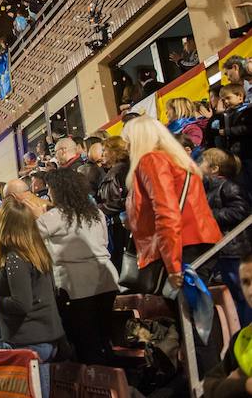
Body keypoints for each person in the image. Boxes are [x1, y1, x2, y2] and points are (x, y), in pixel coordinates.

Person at [122, 116, 222, 290]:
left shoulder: (151, 160)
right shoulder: (177, 160)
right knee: (201, 311)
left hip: (180, 248)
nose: (126, 147)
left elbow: (167, 212)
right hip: (198, 241)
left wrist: (173, 265)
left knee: (185, 313)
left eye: (129, 141)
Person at [30, 169, 118, 364]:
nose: (48, 193)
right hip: (106, 281)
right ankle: (118, 381)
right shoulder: (95, 212)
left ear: (58, 190)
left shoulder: (54, 216)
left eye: (50, 189)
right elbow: (104, 242)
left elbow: (28, 240)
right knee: (103, 339)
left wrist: (36, 216)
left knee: (86, 345)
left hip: (76, 288)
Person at [0, 199, 65, 361]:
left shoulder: (16, 257)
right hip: (46, 339)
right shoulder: (37, 251)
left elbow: (21, 304)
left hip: (29, 342)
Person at [201, 148, 252, 325]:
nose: (200, 166)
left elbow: (241, 210)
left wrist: (209, 214)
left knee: (243, 294)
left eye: (203, 163)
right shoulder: (209, 189)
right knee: (235, 295)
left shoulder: (229, 186)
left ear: (214, 168)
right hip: (222, 250)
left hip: (235, 249)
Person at [203, 254, 252, 396]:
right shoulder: (241, 338)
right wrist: (244, 384)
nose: (250, 291)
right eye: (246, 282)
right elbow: (210, 385)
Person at [98, 136, 132, 271]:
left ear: (114, 151)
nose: (102, 154)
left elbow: (127, 198)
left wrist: (101, 208)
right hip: (115, 224)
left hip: (122, 225)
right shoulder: (114, 171)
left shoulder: (122, 171)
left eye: (105, 150)